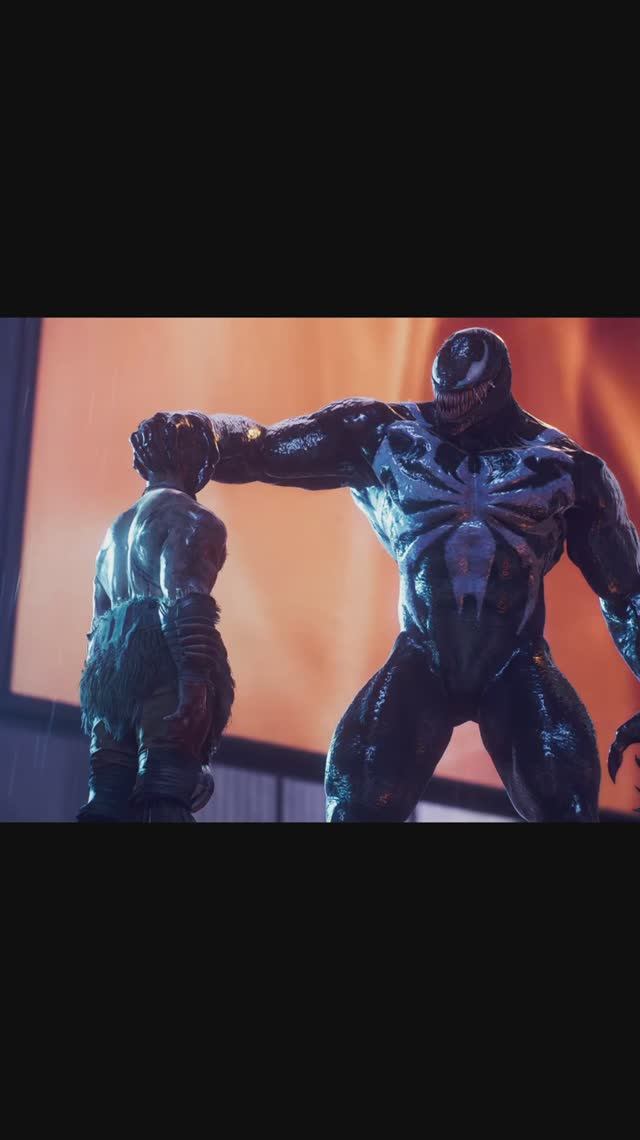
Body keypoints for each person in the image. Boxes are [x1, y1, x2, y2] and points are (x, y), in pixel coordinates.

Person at [193, 328, 640, 822]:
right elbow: (259, 449)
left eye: (464, 401)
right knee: (358, 806)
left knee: (568, 808)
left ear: (497, 388)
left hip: (514, 662)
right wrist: (199, 432)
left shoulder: (569, 470)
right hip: (423, 656)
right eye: (444, 398)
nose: (451, 413)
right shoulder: (382, 434)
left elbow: (626, 592)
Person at [77, 411, 234, 823]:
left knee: (106, 802)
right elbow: (184, 600)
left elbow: (97, 627)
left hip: (108, 673)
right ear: (194, 460)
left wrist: (98, 703)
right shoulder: (194, 519)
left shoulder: (114, 533)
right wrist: (195, 686)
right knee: (165, 795)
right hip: (164, 661)